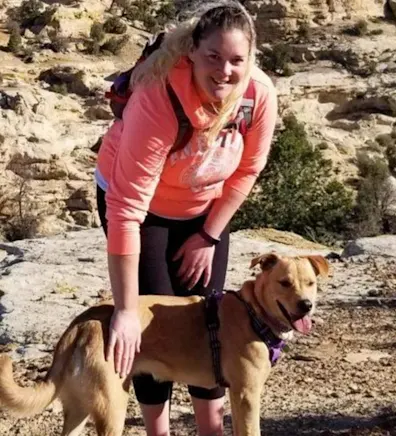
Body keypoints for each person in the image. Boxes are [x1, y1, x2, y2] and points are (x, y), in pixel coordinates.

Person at [94, 1, 277, 434]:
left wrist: (208, 236)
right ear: (192, 51)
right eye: (213, 56)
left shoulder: (258, 96)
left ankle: (209, 427)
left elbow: (249, 168)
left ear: (251, 59)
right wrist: (124, 309)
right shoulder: (159, 97)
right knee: (152, 324)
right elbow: (126, 208)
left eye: (237, 60)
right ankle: (159, 430)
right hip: (141, 208)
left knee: (209, 320)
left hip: (205, 207)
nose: (225, 71)